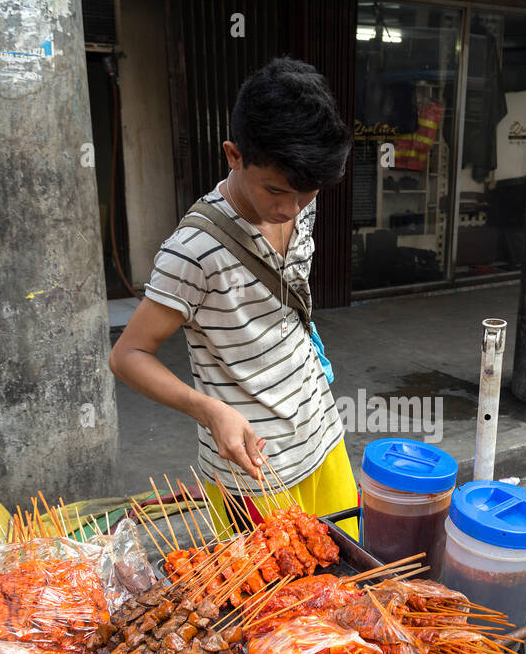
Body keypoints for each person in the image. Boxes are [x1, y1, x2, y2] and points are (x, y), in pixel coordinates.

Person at [109, 57, 358, 539]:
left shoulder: (300, 192)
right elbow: (128, 356)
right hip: (254, 468)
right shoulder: (194, 251)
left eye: (305, 195)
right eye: (275, 191)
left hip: (322, 433)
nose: (289, 209)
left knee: (344, 574)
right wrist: (209, 410)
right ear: (233, 154)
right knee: (281, 602)